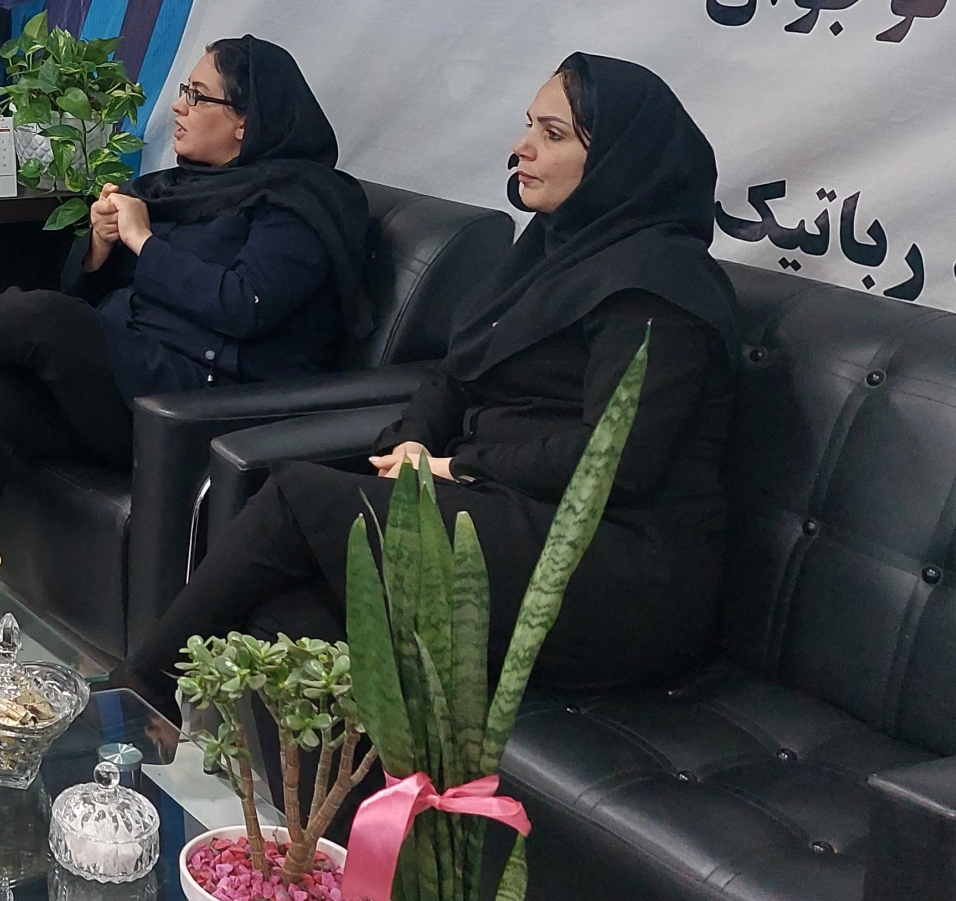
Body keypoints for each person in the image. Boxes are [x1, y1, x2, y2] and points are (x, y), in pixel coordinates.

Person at [124, 54, 742, 706]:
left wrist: (453, 468)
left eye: (553, 134)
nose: (521, 147)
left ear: (619, 160)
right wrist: (413, 442)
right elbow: (455, 373)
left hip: (615, 567)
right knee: (291, 618)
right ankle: (222, 759)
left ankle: (135, 699)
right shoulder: (552, 253)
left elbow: (615, 460)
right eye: (530, 125)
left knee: (297, 497)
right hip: (510, 511)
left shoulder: (660, 285)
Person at [0, 36, 371, 528]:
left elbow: (244, 304)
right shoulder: (182, 188)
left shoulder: (301, 204)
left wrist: (144, 241)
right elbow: (83, 293)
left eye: (198, 95)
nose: (178, 105)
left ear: (246, 121)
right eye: (184, 90)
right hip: (132, 378)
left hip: (194, 405)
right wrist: (101, 246)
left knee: (41, 316)